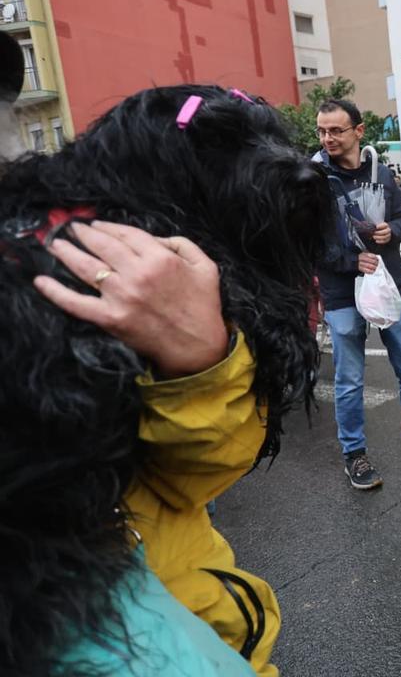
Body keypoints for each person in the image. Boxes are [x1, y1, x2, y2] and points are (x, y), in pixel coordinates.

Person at [2, 83, 340, 676]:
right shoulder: (50, 295)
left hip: (197, 616)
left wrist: (202, 357)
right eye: (226, 151)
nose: (296, 171)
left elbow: (196, 474)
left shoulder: (133, 268)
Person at [315, 98, 401, 489]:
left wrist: (394, 230)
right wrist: (348, 262)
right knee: (350, 378)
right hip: (342, 293)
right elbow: (305, 243)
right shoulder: (312, 178)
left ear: (358, 131)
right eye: (321, 131)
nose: (327, 138)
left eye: (336, 130)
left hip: (390, 285)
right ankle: (354, 454)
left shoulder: (382, 173)